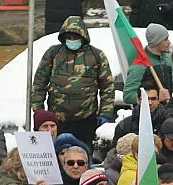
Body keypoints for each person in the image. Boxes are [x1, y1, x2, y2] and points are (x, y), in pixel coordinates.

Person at [30, 17, 115, 146]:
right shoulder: (53, 53)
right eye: (69, 37)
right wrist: (39, 111)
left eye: (75, 37)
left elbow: (107, 87)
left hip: (86, 120)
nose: (72, 40)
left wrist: (106, 113)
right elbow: (39, 83)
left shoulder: (97, 55)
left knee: (81, 156)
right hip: (56, 120)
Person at [123, 24, 173, 104]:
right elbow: (128, 96)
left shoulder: (167, 60)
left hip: (168, 112)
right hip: (148, 114)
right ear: (156, 41)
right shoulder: (140, 64)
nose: (169, 42)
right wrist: (154, 99)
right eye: (165, 39)